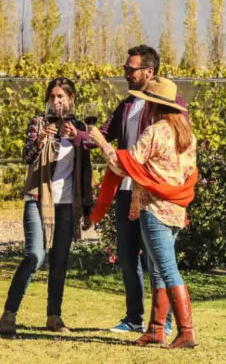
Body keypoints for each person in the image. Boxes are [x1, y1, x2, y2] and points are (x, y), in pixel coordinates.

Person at [88, 76, 198, 349]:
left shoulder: (154, 132)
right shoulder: (186, 134)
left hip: (154, 209)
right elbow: (186, 173)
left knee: (167, 270)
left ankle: (186, 331)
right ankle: (156, 329)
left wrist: (102, 142)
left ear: (153, 105)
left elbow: (124, 166)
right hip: (176, 209)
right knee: (160, 271)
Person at [98, 45, 186, 335]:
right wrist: (83, 134)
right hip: (131, 194)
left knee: (159, 262)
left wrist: (100, 144)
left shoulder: (168, 112)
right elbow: (107, 130)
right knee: (129, 256)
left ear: (149, 71)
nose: (126, 74)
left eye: (130, 69)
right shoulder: (127, 105)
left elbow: (127, 161)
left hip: (153, 198)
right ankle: (139, 319)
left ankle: (167, 325)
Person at [0, 77, 93, 338]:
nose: (56, 101)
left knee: (60, 261)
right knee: (34, 256)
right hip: (38, 198)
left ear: (71, 99)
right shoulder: (38, 123)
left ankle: (54, 316)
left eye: (61, 96)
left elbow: (86, 169)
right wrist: (41, 140)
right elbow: (27, 156)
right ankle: (9, 313)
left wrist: (87, 209)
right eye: (52, 97)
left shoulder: (80, 127)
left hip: (66, 203)